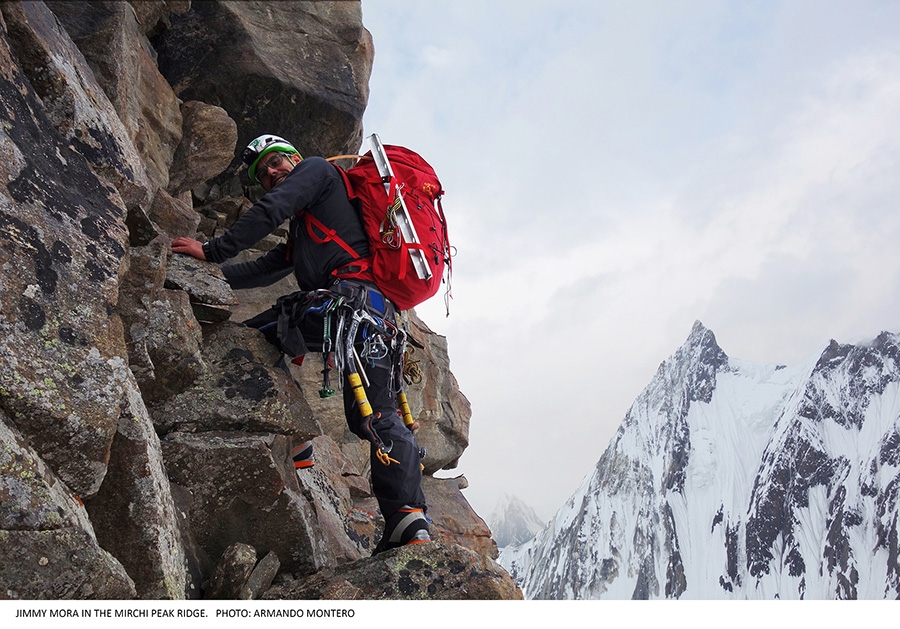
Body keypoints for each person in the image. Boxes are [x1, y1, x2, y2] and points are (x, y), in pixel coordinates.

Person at [171, 134, 429, 554]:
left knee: (254, 338)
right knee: (375, 414)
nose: (272, 174)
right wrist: (213, 273)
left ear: (293, 158)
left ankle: (297, 441)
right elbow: (271, 266)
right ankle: (407, 518)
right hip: (374, 316)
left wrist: (212, 250)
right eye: (264, 173)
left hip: (346, 305)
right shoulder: (316, 217)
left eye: (275, 163)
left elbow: (271, 210)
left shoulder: (318, 170)